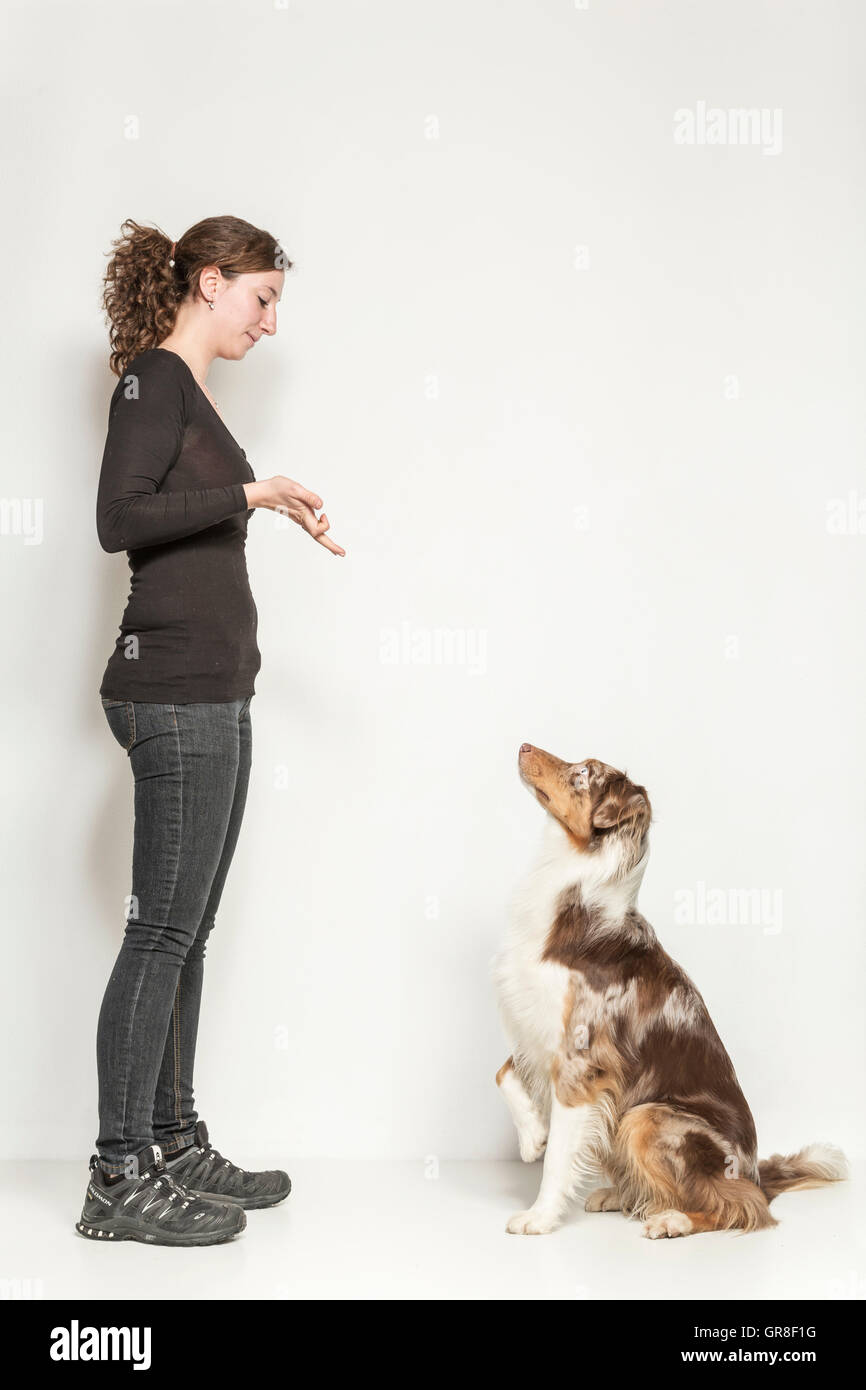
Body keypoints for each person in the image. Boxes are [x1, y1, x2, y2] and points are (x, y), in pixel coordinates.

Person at [79, 215, 345, 1246]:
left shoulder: (186, 394)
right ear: (207, 280)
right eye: (262, 298)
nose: (269, 323)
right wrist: (254, 489)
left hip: (211, 693)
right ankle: (115, 1175)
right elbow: (119, 517)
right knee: (159, 932)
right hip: (172, 694)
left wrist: (263, 505)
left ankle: (171, 1142)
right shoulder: (152, 379)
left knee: (185, 933)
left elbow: (176, 515)